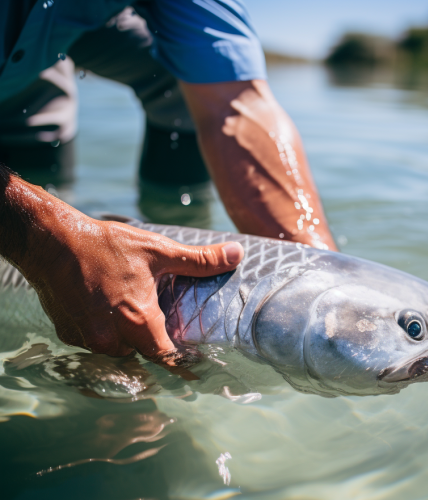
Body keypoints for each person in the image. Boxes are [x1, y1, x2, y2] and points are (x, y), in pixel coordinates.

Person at [0, 0, 337, 364]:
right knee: (30, 215)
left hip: (67, 21)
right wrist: (46, 242)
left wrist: (315, 269)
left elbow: (237, 103)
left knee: (189, 80)